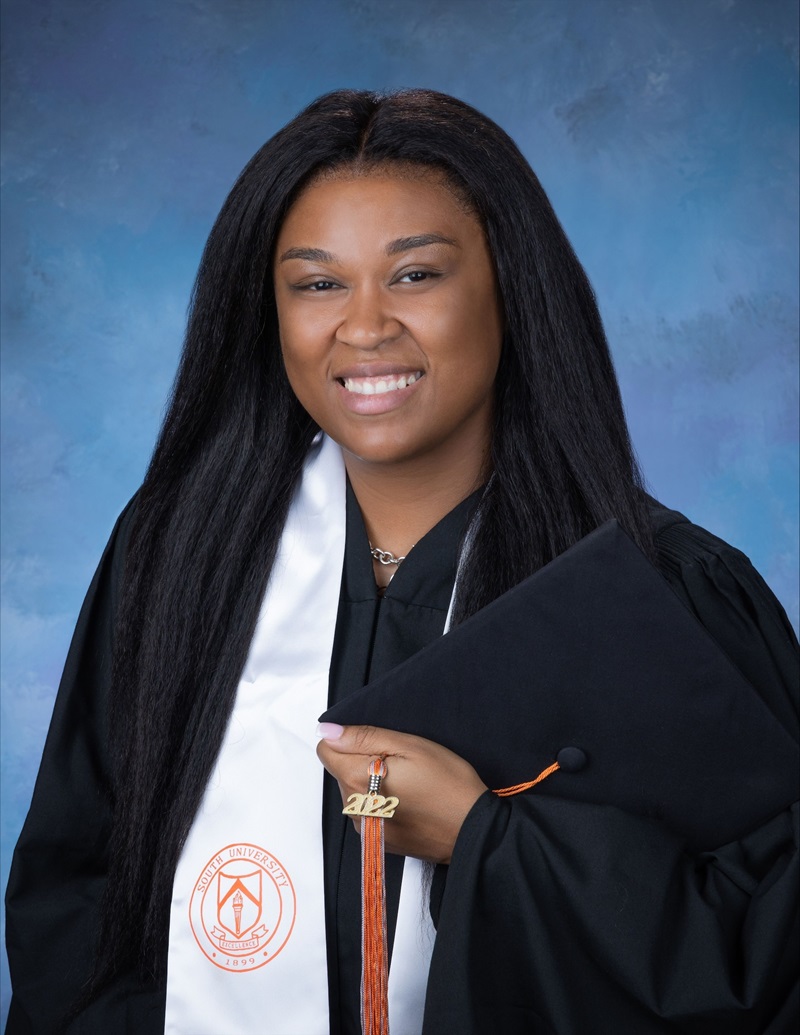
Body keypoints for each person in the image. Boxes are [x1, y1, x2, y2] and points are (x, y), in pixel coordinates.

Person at [5, 89, 798, 1035]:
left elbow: (767, 953)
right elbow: (79, 921)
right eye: (317, 283)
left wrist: (483, 839)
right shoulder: (176, 559)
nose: (366, 326)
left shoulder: (664, 594)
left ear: (511, 289)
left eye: (416, 276)